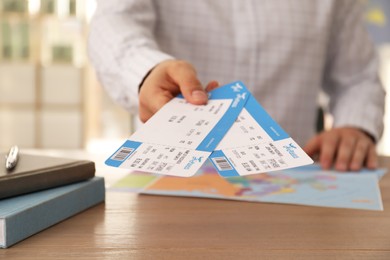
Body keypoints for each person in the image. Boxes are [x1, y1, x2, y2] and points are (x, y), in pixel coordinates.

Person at [88, 0, 386, 172]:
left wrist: (355, 127)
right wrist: (145, 70)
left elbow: (358, 77)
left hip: (289, 188)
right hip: (168, 184)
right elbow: (111, 23)